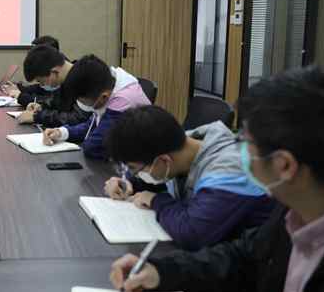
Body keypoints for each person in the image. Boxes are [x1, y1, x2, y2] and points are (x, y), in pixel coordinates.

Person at [109, 67, 324, 292]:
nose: (238, 149)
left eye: (245, 142)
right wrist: (161, 271)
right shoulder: (295, 212)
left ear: (284, 166)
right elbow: (243, 257)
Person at [104, 105, 276, 250]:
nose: (136, 173)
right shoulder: (183, 144)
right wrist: (128, 183)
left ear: (163, 160)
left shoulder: (229, 170)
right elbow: (162, 176)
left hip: (256, 262)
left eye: (135, 169)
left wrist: (155, 200)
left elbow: (192, 233)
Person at [42, 55, 150, 159]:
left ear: (103, 97)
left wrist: (86, 141)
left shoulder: (122, 101)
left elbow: (94, 146)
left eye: (82, 100)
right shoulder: (106, 84)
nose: (80, 104)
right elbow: (91, 126)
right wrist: (61, 133)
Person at [11, 44, 91, 128]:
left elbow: (78, 119)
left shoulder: (84, 78)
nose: (41, 85)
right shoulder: (65, 80)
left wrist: (38, 117)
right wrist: (41, 107)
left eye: (41, 81)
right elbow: (57, 103)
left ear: (54, 72)